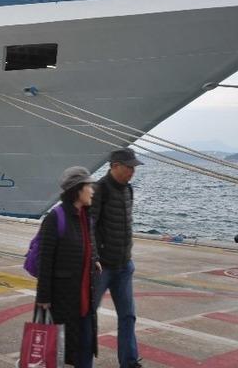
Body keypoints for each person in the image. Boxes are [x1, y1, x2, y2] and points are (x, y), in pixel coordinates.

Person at [36, 166, 101, 368]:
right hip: (63, 300)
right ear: (77, 189)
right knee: (59, 352)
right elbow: (45, 261)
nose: (92, 190)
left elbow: (88, 243)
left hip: (86, 298)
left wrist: (94, 259)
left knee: (86, 346)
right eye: (89, 186)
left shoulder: (86, 216)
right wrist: (43, 298)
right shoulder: (56, 218)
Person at [92, 148, 144, 368]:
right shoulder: (99, 190)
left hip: (124, 265)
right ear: (115, 166)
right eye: (129, 167)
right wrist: (94, 257)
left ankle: (129, 362)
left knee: (128, 316)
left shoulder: (128, 190)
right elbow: (90, 226)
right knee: (87, 316)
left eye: (134, 167)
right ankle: (82, 361)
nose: (132, 171)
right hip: (101, 268)